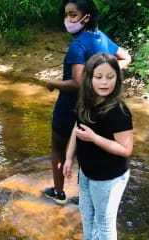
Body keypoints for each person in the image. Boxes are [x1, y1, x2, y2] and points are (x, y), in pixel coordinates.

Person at [44, 0, 131, 204]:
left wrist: (52, 83)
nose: (68, 20)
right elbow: (126, 58)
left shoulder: (77, 45)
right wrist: (106, 75)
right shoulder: (101, 37)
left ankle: (58, 193)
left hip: (69, 107)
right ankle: (88, 197)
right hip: (96, 108)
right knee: (88, 150)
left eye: (73, 15)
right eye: (66, 15)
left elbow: (76, 83)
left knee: (58, 147)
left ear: (87, 17)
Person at [63, 53, 133, 240]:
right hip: (88, 170)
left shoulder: (119, 112)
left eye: (110, 77)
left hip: (110, 177)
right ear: (89, 79)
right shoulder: (86, 102)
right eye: (99, 76)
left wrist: (94, 138)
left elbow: (126, 149)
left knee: (104, 219)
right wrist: (68, 158)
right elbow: (77, 129)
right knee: (86, 209)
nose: (104, 82)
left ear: (117, 79)